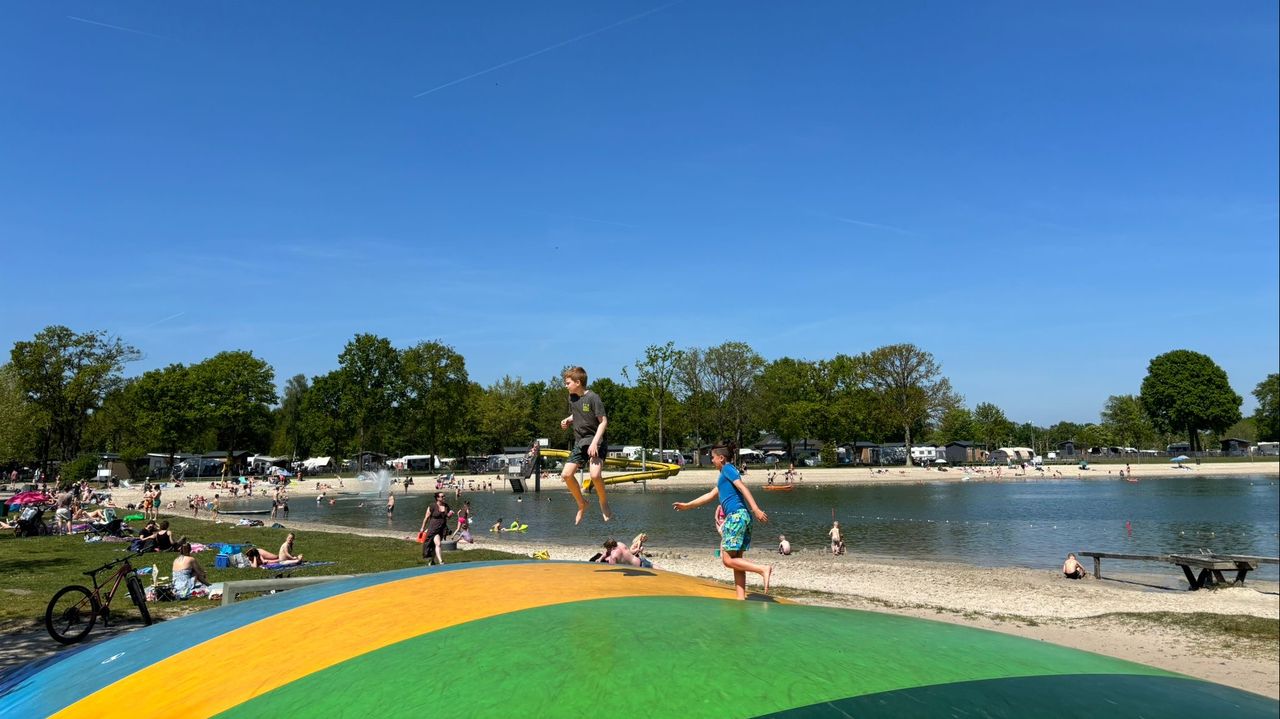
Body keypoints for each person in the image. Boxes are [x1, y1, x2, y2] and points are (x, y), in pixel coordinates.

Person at [673, 445, 772, 600]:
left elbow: (743, 488)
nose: (711, 460)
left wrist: (756, 509)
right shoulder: (724, 478)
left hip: (736, 517)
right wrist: (687, 506)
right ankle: (741, 598)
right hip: (743, 517)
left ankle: (762, 569)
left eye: (713, 457)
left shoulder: (727, 469)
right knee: (736, 560)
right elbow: (709, 496)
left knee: (727, 560)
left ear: (721, 458)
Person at [559, 366, 611, 525]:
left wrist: (594, 442)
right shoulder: (572, 398)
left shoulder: (593, 398)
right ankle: (582, 504)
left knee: (595, 475)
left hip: (596, 441)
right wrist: (569, 419)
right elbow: (578, 413)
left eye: (568, 383)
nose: (565, 386)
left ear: (578, 382)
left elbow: (603, 422)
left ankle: (603, 502)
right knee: (566, 475)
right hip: (580, 442)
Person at [419, 492, 453, 565]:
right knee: (438, 544)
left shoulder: (446, 506)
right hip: (433, 528)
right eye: (442, 496)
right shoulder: (432, 506)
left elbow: (448, 517)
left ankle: (431, 561)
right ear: (437, 498)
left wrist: (450, 515)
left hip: (442, 528)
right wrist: (422, 528)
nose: (444, 497)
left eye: (444, 496)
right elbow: (426, 518)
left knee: (435, 545)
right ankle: (441, 561)